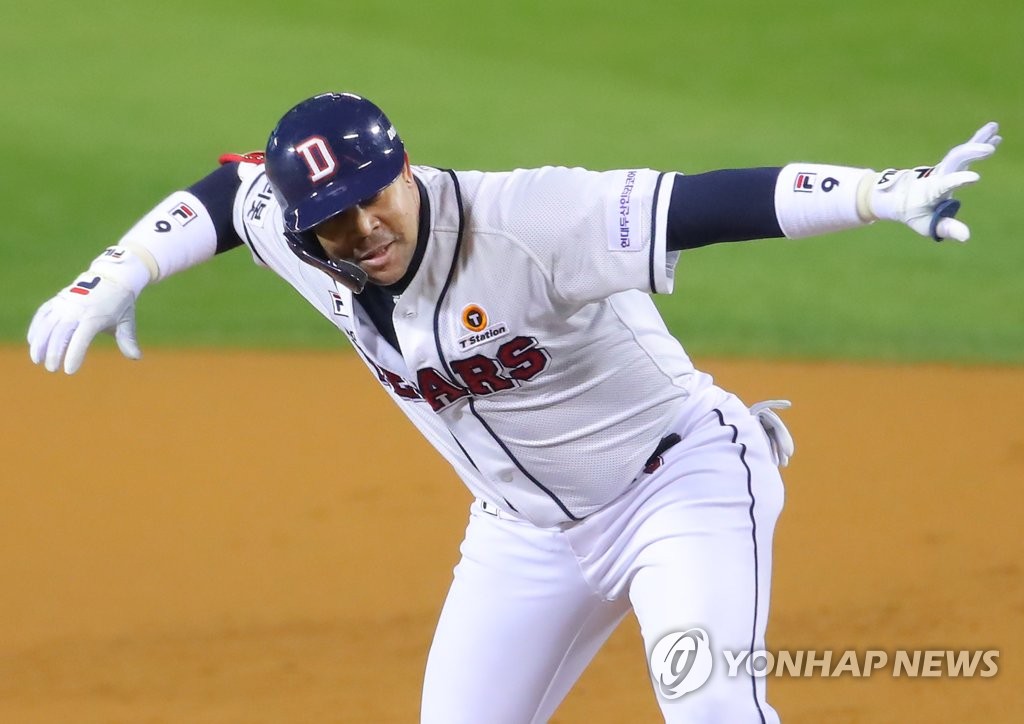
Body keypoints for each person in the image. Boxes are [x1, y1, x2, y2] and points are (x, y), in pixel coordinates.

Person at [27, 92, 1000, 723]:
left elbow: (705, 204)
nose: (363, 229)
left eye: (377, 197)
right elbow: (233, 183)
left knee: (707, 702)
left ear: (404, 167)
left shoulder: (532, 220)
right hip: (523, 535)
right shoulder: (298, 230)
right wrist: (114, 275)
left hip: (680, 485)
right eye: (334, 219)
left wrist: (876, 194)